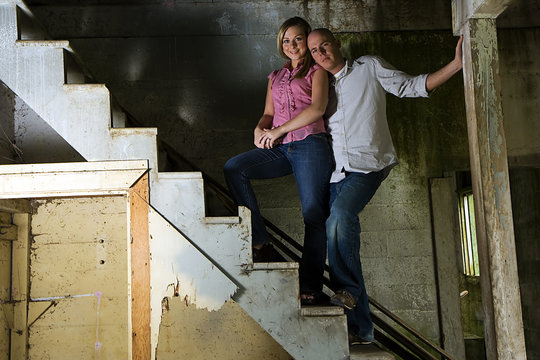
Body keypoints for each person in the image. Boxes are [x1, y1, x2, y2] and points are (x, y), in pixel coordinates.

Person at [307, 28, 463, 344]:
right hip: (338, 174)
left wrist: (456, 65)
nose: (321, 53)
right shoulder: (318, 87)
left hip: (369, 166)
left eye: (324, 44)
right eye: (314, 50)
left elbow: (410, 86)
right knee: (338, 238)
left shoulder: (369, 67)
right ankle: (362, 329)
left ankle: (348, 292)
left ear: (337, 42)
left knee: (339, 217)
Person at [224, 17, 333, 304]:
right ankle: (261, 242)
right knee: (235, 168)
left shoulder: (318, 71)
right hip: (282, 148)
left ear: (307, 41)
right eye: (287, 40)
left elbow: (318, 109)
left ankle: (311, 287)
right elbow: (268, 114)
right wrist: (260, 129)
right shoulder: (276, 76)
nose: (293, 45)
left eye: (298, 39)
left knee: (313, 215)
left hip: (310, 144)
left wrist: (279, 131)